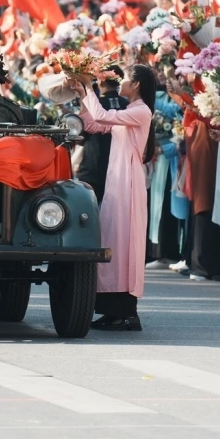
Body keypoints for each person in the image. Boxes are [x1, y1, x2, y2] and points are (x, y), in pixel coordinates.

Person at [69, 64, 155, 332]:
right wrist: (81, 93)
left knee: (124, 244)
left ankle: (126, 312)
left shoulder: (140, 112)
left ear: (137, 84)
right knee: (113, 241)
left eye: (126, 79)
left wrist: (88, 85)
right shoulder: (130, 111)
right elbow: (94, 124)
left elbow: (101, 114)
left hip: (128, 182)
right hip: (118, 180)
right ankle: (112, 310)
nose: (121, 84)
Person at [76, 70, 128, 205]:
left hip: (92, 169)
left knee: (86, 217)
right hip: (120, 172)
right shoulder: (129, 106)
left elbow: (80, 135)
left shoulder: (95, 105)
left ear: (101, 81)